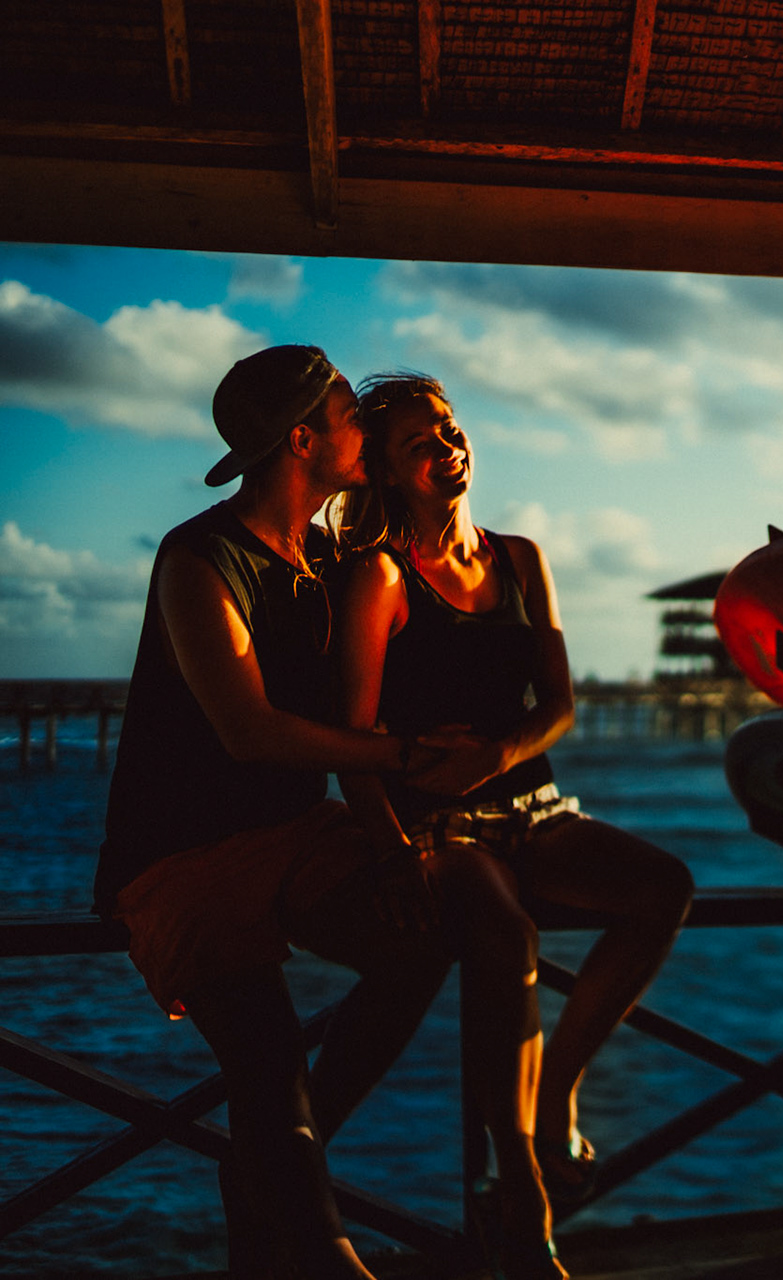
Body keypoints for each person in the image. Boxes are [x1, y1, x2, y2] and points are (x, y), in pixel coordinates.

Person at [94, 346, 503, 1280]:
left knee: (427, 933)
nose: (363, 427)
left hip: (296, 838)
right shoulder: (199, 559)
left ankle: (275, 1169)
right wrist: (404, 757)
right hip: (181, 860)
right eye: (349, 414)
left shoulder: (332, 556)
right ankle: (322, 1248)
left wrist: (406, 828)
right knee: (268, 1058)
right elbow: (248, 732)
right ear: (303, 440)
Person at [327, 373, 693, 1275]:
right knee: (503, 936)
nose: (447, 448)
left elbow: (561, 703)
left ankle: (557, 1089)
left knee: (663, 888)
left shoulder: (520, 557)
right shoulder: (378, 575)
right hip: (439, 827)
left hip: (530, 805)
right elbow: (350, 739)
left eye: (448, 429)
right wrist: (389, 848)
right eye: (420, 443)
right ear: (384, 472)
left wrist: (496, 757)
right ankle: (520, 1189)